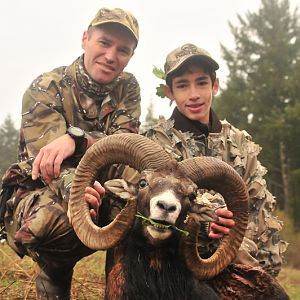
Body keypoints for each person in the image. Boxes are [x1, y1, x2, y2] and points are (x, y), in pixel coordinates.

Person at [86, 43, 288, 279]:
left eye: (202, 83)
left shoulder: (242, 145)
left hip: (235, 252)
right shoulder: (152, 145)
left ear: (215, 85)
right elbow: (135, 209)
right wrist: (205, 222)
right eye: (182, 85)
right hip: (172, 260)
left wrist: (237, 239)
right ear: (169, 92)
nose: (194, 94)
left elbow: (256, 209)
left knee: (263, 266)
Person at [1, 7, 140, 299]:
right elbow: (49, 167)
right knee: (55, 224)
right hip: (42, 190)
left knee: (142, 205)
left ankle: (119, 290)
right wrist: (79, 192)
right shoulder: (45, 88)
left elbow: (126, 145)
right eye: (104, 42)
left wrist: (78, 140)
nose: (112, 56)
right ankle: (54, 278)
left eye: (123, 50)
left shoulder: (128, 87)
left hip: (104, 186)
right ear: (85, 39)